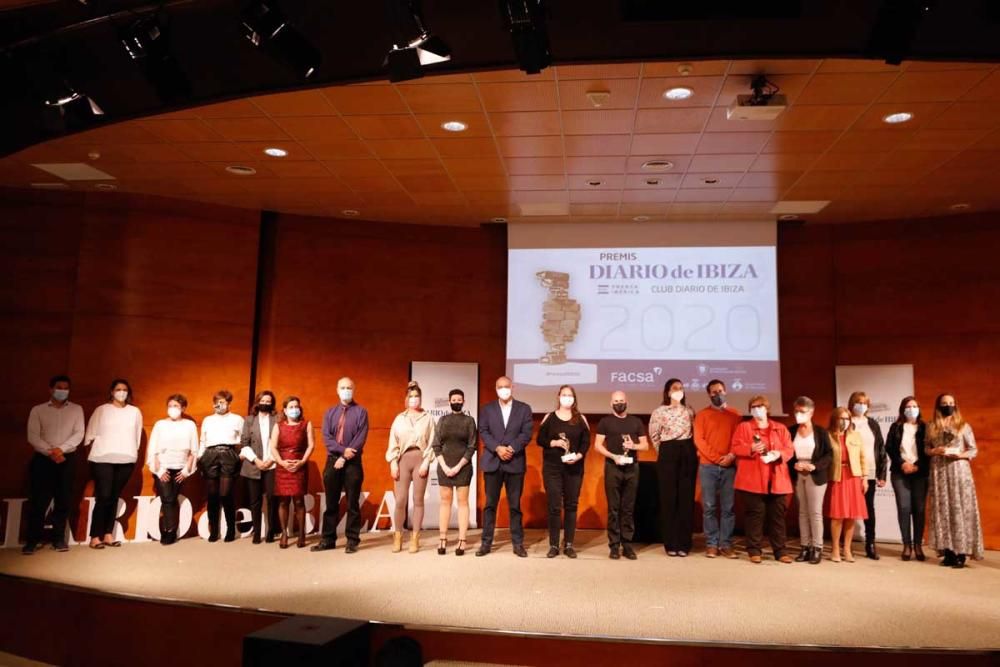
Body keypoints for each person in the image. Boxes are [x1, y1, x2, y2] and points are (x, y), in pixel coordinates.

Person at [23, 375, 84, 555]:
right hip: (43, 460)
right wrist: (51, 451)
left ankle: (58, 539)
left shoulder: (76, 409)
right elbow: (32, 436)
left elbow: (79, 434)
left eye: (66, 388)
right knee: (38, 502)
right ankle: (32, 541)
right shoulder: (38, 410)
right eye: (59, 387)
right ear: (51, 389)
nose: (62, 391)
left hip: (67, 460)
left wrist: (61, 450)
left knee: (63, 500)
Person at [731, 395, 794, 564]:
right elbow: (735, 447)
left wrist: (778, 454)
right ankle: (754, 550)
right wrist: (750, 448)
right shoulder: (744, 427)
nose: (757, 409)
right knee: (755, 515)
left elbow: (789, 449)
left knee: (777, 517)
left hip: (777, 479)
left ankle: (780, 551)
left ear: (767, 408)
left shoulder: (780, 428)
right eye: (754, 407)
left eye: (760, 406)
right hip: (751, 479)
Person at [477, 376, 533, 558]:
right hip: (493, 461)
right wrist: (497, 448)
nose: (503, 389)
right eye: (500, 387)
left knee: (515, 505)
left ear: (512, 387)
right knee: (490, 505)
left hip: (514, 462)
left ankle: (518, 543)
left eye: (506, 387)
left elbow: (526, 434)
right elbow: (483, 431)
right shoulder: (487, 409)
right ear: (495, 388)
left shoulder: (524, 409)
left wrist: (511, 448)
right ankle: (486, 543)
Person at [926, 394, 984, 568]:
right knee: (943, 510)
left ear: (955, 406)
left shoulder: (963, 426)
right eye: (944, 404)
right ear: (938, 406)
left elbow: (973, 450)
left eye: (951, 403)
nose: (948, 406)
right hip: (939, 472)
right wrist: (935, 450)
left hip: (959, 471)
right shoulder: (931, 426)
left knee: (960, 508)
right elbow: (926, 448)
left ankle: (961, 552)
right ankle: (948, 552)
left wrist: (960, 454)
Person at [84, 379, 143, 549]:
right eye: (118, 389)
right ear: (111, 392)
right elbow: (90, 435)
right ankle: (95, 536)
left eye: (125, 389)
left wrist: (132, 453)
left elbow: (137, 436)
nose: (122, 392)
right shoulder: (101, 410)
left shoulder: (135, 412)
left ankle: (108, 534)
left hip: (126, 460)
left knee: (113, 497)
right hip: (102, 458)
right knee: (103, 496)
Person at [313, 377, 369, 554]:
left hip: (353, 462)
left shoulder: (361, 412)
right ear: (337, 390)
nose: (346, 390)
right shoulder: (330, 413)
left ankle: (352, 540)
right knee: (331, 503)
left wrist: (345, 456)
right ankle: (328, 539)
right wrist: (340, 452)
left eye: (349, 387)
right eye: (343, 387)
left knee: (353, 502)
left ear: (354, 389)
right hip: (332, 461)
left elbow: (360, 437)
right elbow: (326, 437)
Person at [536, 385, 590, 559]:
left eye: (570, 395)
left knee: (571, 505)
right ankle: (553, 545)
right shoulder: (549, 417)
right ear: (558, 396)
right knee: (554, 506)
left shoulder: (580, 419)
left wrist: (579, 456)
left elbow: (586, 442)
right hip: (552, 468)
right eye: (564, 395)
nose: (567, 398)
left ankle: (568, 544)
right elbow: (540, 439)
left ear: (574, 398)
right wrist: (554, 443)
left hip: (574, 468)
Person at [594, 391, 648, 560]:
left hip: (632, 468)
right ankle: (614, 545)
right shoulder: (605, 422)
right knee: (613, 508)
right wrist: (613, 456)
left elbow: (645, 446)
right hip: (613, 467)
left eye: (622, 401)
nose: (619, 403)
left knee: (628, 508)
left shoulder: (636, 422)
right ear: (611, 404)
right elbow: (597, 445)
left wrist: (634, 446)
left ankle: (627, 544)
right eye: (616, 401)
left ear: (627, 402)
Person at [693, 379, 741, 559]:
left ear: (726, 391)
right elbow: (699, 441)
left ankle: (726, 544)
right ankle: (712, 544)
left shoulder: (735, 414)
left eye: (720, 390)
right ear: (709, 394)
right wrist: (717, 459)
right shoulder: (701, 415)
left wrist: (730, 456)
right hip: (708, 467)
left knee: (728, 508)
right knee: (709, 507)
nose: (717, 394)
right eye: (714, 392)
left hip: (729, 467)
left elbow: (738, 440)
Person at [648, 378, 697, 557]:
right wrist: (665, 453)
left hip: (687, 451)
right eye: (674, 388)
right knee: (669, 498)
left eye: (681, 388)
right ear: (668, 392)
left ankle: (684, 543)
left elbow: (695, 432)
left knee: (685, 497)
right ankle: (671, 543)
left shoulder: (689, 411)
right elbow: (654, 435)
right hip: (668, 451)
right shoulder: (659, 411)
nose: (678, 390)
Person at [386, 381, 436, 553]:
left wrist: (426, 461)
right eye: (411, 396)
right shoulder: (399, 418)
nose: (414, 399)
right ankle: (398, 536)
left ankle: (415, 538)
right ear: (406, 399)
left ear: (420, 398)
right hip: (403, 460)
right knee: (400, 500)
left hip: (420, 460)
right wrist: (393, 462)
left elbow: (432, 442)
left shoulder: (428, 418)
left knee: (418, 500)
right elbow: (393, 441)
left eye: (416, 396)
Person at [786, 396, 833, 565]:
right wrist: (794, 465)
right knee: (802, 512)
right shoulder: (790, 431)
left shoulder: (821, 432)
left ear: (811, 412)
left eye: (802, 411)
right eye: (796, 411)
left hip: (815, 475)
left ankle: (817, 547)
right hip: (798, 475)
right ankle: (804, 547)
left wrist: (814, 466)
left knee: (815, 512)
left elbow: (829, 455)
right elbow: (786, 453)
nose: (799, 414)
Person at [146, 394, 197, 545]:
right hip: (163, 467)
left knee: (173, 499)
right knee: (167, 499)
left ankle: (171, 529)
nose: (172, 409)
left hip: (181, 468)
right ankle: (169, 531)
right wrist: (159, 471)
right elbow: (152, 449)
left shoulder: (190, 425)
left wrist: (186, 471)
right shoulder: (160, 424)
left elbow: (194, 450)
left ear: (183, 408)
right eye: (170, 406)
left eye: (176, 406)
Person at [431, 389, 477, 556]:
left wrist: (458, 467)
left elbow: (472, 446)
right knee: (445, 502)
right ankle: (442, 539)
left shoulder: (469, 421)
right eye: (454, 399)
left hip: (463, 467)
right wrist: (444, 466)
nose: (456, 401)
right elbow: (436, 445)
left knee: (463, 502)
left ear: (463, 401)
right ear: (449, 401)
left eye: (459, 399)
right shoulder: (442, 420)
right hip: (444, 466)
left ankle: (462, 540)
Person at [197, 389, 245, 542]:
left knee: (225, 494)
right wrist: (200, 457)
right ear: (213, 404)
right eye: (218, 402)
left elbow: (242, 440)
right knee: (212, 496)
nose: (220, 405)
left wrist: (240, 456)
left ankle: (231, 529)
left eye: (223, 402)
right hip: (210, 454)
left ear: (229, 404)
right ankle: (214, 531)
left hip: (228, 453)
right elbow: (203, 441)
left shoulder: (237, 419)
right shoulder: (208, 420)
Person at [885, 396, 929, 561]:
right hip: (900, 472)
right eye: (908, 406)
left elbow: (929, 450)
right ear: (903, 409)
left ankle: (918, 544)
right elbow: (890, 448)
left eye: (915, 406)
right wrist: (903, 463)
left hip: (920, 472)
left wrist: (917, 465)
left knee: (919, 509)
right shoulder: (896, 427)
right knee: (904, 508)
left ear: (919, 409)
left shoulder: (926, 427)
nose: (912, 409)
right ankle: (906, 545)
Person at [847, 391, 887, 560]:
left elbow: (880, 448)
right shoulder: (847, 423)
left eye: (864, 403)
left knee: (868, 508)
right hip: (850, 472)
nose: (861, 406)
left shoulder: (873, 424)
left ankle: (870, 543)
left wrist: (882, 473)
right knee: (848, 508)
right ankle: (846, 546)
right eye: (858, 402)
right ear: (851, 404)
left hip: (869, 471)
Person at [270, 396, 314, 549]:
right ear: (285, 410)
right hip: (283, 466)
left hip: (299, 465)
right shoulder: (278, 426)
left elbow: (311, 446)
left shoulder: (306, 424)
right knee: (283, 501)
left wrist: (302, 461)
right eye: (291, 406)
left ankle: (301, 533)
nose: (294, 409)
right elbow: (273, 447)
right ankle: (284, 533)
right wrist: (281, 462)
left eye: (297, 406)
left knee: (299, 501)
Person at [826, 407, 868, 563]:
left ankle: (847, 549)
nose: (844, 421)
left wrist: (864, 477)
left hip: (853, 477)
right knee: (837, 516)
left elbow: (863, 457)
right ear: (834, 419)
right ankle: (835, 549)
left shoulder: (856, 436)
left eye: (847, 418)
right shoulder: (828, 435)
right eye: (841, 418)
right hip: (837, 477)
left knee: (851, 516)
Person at [240, 390, 280, 544]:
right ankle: (257, 532)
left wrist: (270, 459)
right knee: (255, 500)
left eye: (268, 401)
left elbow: (280, 442)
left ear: (272, 404)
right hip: (253, 464)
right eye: (263, 400)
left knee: (271, 498)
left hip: (272, 464)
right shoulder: (249, 420)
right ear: (257, 402)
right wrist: (256, 460)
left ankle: (271, 531)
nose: (265, 403)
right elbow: (245, 443)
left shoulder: (277, 419)